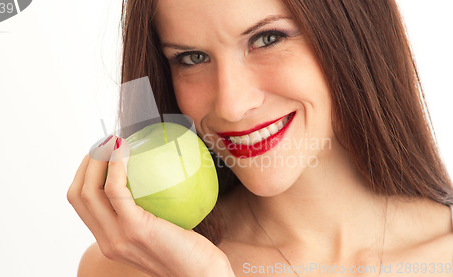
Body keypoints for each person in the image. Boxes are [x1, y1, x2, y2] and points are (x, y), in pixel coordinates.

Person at [67, 0, 453, 276]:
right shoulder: (131, 270)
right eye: (192, 58)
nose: (231, 105)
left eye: (267, 39)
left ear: (353, 31)